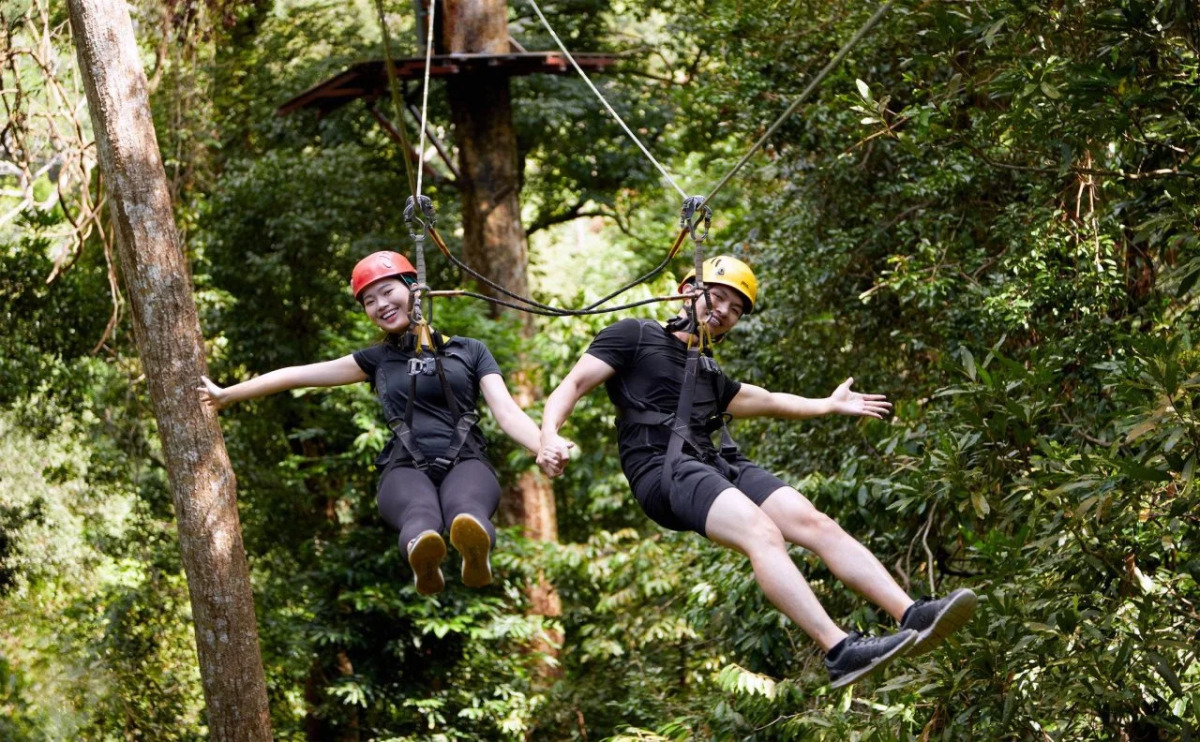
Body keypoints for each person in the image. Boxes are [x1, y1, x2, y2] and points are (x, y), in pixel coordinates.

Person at [536, 255, 977, 689]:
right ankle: (840, 651)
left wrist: (827, 404)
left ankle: (912, 613)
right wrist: (549, 435)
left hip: (711, 461)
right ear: (688, 291)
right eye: (719, 297)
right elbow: (572, 385)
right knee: (761, 532)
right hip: (660, 467)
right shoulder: (634, 336)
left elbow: (766, 399)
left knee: (814, 522)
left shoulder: (710, 372)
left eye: (735, 308)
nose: (725, 312)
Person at [199, 251, 547, 596]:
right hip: (404, 464)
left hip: (466, 459)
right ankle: (422, 555)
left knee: (466, 509)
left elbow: (507, 411)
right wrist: (229, 394)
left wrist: (543, 445)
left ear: (415, 288)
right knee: (420, 515)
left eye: (387, 292)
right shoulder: (376, 359)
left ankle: (475, 550)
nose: (380, 304)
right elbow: (296, 375)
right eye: (369, 300)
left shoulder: (470, 351)